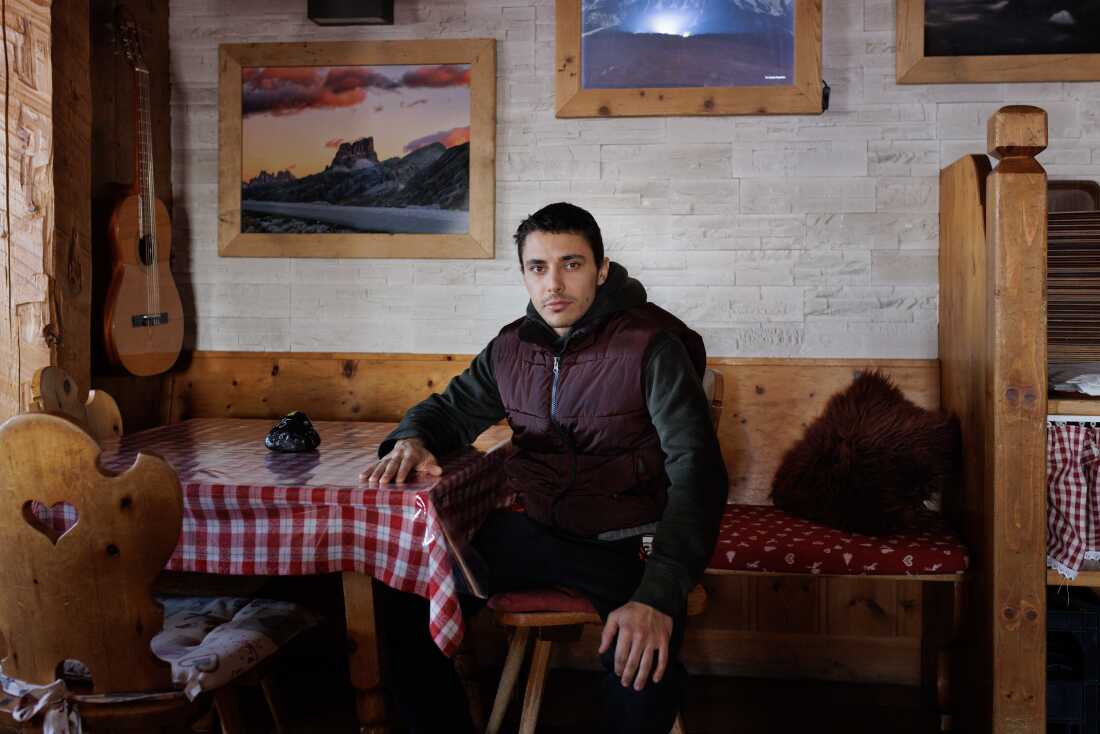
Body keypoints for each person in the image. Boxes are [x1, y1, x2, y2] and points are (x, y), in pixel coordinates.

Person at [362, 202, 728, 733]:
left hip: (628, 544)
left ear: (601, 270)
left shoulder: (652, 346)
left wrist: (660, 593)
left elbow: (698, 474)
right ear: (524, 275)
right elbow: (450, 410)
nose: (553, 283)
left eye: (571, 264)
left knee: (642, 673)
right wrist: (412, 438)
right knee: (405, 590)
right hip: (536, 531)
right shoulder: (512, 346)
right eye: (538, 267)